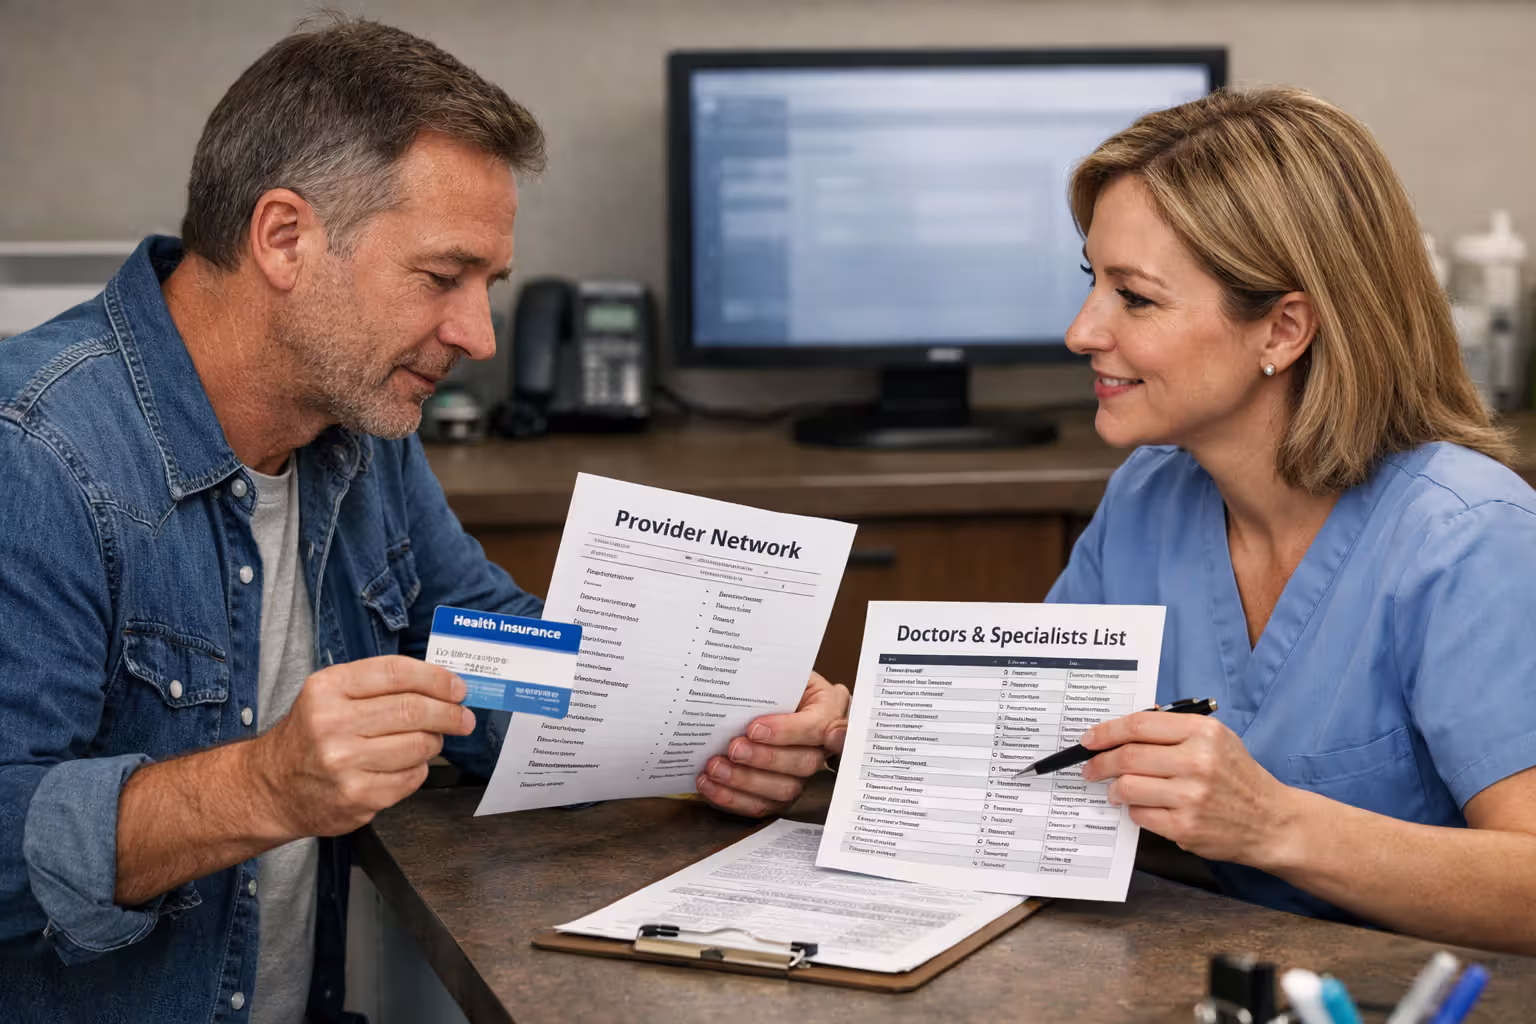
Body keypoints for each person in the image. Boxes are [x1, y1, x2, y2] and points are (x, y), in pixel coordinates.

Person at [0, 19, 847, 1023]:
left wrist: (710, 720)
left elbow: (485, 649)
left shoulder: (361, 427)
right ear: (284, 238)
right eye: (442, 277)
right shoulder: (35, 453)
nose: (479, 335)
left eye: (490, 288)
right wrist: (263, 786)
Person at [1047, 86, 1536, 953]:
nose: (1082, 330)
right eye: (1094, 282)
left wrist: (1273, 825)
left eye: (1136, 297)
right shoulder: (1148, 497)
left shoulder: (1470, 536)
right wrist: (854, 740)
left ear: (1283, 328)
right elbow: (1040, 752)